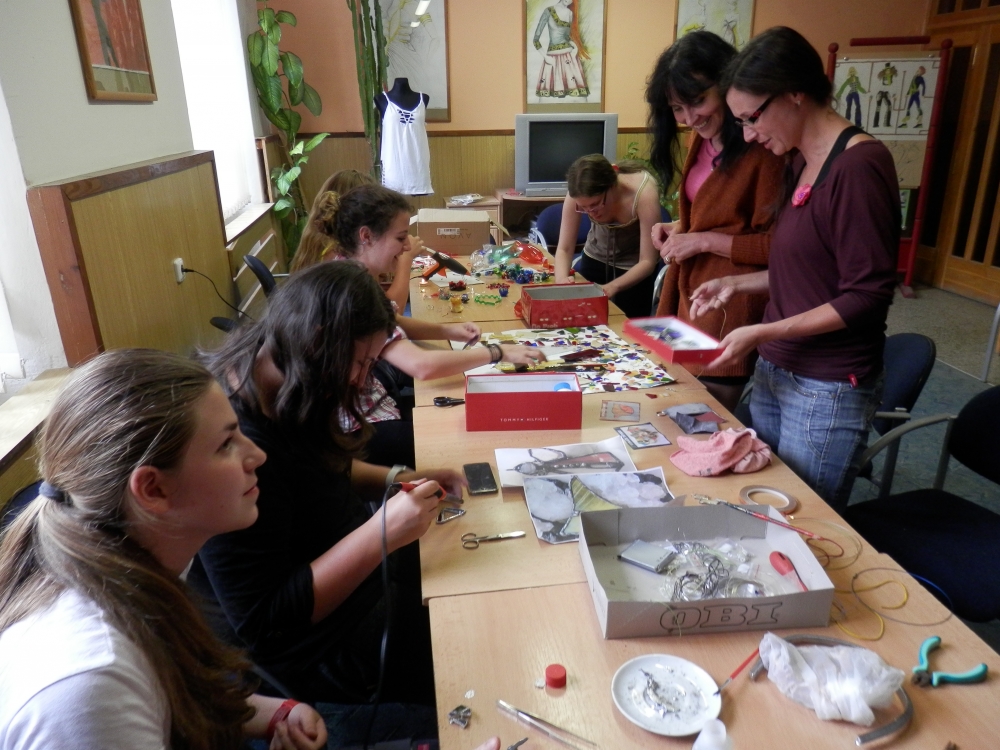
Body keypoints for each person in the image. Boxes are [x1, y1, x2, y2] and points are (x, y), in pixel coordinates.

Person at [0, 349, 327, 750]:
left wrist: (272, 713)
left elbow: (162, 692)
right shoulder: (91, 686)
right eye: (226, 444)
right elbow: (122, 698)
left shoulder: (134, 552)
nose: (257, 455)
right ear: (153, 490)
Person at [189, 262, 465, 721]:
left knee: (460, 581)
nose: (362, 379)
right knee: (466, 652)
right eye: (360, 363)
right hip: (317, 646)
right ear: (319, 342)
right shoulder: (237, 450)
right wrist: (381, 532)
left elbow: (319, 470)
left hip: (356, 574)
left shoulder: (284, 373)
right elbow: (266, 623)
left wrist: (399, 477)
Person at [689, 26, 899, 512]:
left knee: (805, 520)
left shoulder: (859, 167)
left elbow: (866, 296)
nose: (749, 134)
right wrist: (734, 282)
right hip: (777, 369)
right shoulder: (798, 160)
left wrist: (762, 331)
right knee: (760, 503)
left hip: (826, 386)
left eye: (752, 118)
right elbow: (808, 271)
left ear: (794, 93)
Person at [296, 183, 544, 467]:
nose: (406, 247)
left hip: (367, 405)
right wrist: (498, 352)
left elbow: (388, 319)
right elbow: (421, 366)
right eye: (400, 238)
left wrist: (446, 331)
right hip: (357, 429)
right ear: (366, 236)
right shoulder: (350, 289)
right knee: (466, 439)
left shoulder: (350, 270)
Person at [645, 30, 784, 411]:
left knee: (705, 414)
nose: (690, 118)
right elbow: (718, 214)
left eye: (698, 101)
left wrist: (703, 241)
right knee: (671, 403)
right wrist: (680, 227)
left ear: (727, 84)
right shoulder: (702, 137)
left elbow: (780, 247)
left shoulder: (764, 149)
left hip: (729, 303)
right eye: (677, 108)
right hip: (689, 293)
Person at [553, 154, 661, 318]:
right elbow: (565, 248)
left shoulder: (643, 193)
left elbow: (647, 261)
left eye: (595, 204)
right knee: (585, 322)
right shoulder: (577, 194)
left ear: (612, 185)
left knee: (626, 328)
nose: (591, 213)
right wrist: (561, 280)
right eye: (584, 208)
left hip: (634, 273)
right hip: (594, 259)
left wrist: (612, 287)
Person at [532, 0, 590, 99]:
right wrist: (545, 57)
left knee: (576, 98)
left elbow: (567, 37)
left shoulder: (570, 13)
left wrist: (575, 48)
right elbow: (535, 39)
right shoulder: (548, 11)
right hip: (552, 59)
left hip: (570, 57)